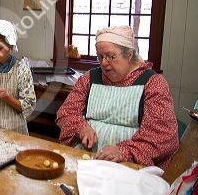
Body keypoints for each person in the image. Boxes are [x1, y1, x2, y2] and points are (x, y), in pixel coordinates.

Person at [56, 25, 179, 169]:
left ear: (129, 55)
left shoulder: (152, 84)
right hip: (87, 159)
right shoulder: (90, 78)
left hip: (129, 166)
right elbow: (66, 113)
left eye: (111, 56)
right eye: (100, 56)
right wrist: (81, 127)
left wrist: (123, 151)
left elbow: (162, 137)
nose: (104, 63)